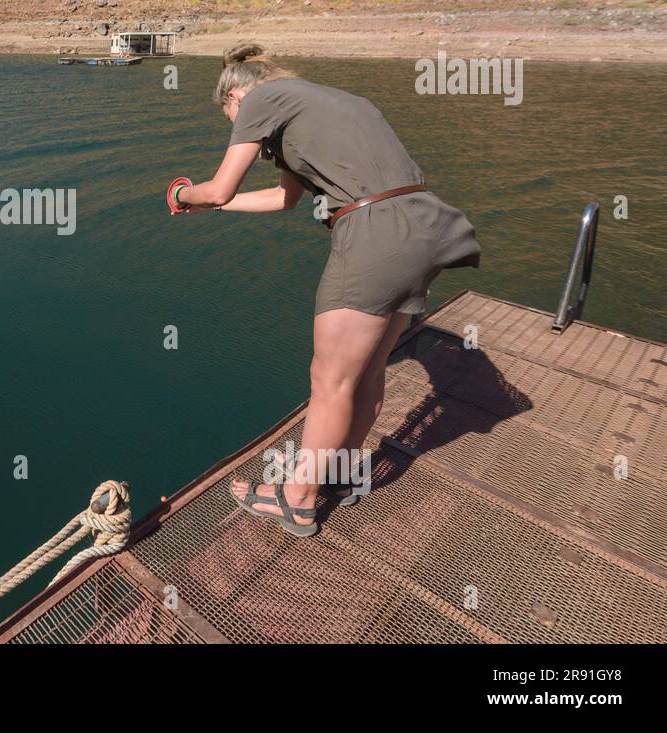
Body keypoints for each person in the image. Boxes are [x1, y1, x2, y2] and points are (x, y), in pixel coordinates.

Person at [170, 44, 480, 537]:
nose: (233, 120)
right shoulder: (323, 102)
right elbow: (282, 198)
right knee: (367, 372)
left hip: (374, 233)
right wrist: (214, 208)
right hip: (424, 223)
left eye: (226, 111)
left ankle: (297, 499)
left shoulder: (257, 101)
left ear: (235, 94)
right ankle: (335, 476)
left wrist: (182, 194)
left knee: (329, 381)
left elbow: (220, 187)